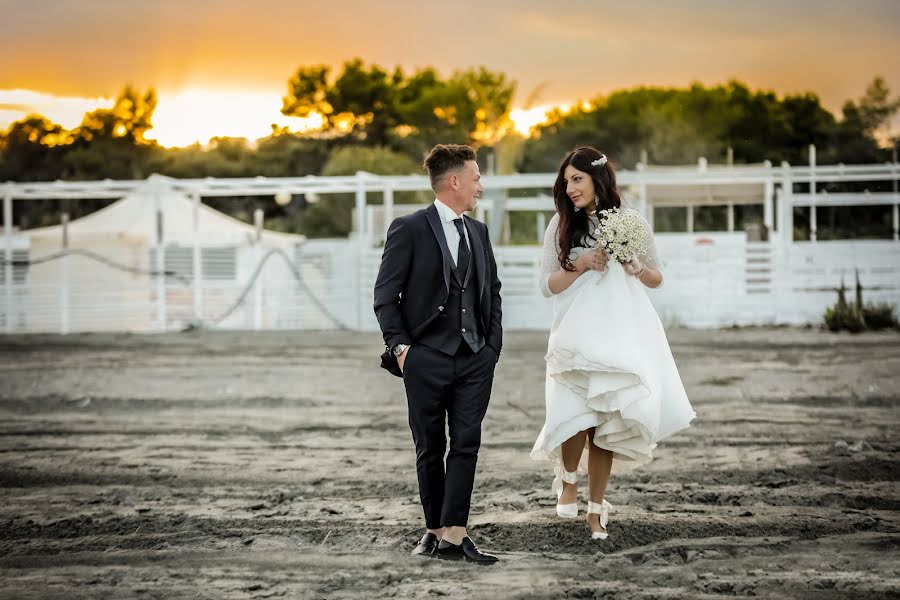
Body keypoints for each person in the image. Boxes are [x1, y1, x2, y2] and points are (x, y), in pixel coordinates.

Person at [530, 146, 695, 540]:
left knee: (607, 418)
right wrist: (582, 264)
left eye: (577, 179)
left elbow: (656, 277)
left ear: (597, 179)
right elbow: (546, 285)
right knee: (573, 411)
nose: (570, 188)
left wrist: (637, 268)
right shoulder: (560, 225)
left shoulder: (630, 220)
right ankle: (568, 478)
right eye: (566, 181)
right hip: (575, 328)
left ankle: (595, 509)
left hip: (620, 329)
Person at [374, 144, 503, 564]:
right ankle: (433, 529)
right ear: (455, 182)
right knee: (430, 445)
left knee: (466, 442)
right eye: (476, 177)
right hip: (425, 357)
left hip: (474, 357)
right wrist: (402, 349)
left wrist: (492, 347)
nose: (480, 185)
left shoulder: (479, 232)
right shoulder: (408, 228)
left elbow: (493, 294)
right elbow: (384, 296)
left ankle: (455, 534)